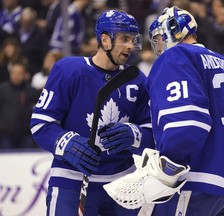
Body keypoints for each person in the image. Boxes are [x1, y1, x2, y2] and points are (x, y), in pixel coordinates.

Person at [30, 9, 154, 216]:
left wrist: (136, 135)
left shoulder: (137, 80)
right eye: (124, 39)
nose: (130, 46)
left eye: (133, 39)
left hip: (122, 185)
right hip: (71, 180)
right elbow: (41, 123)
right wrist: (65, 142)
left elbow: (153, 133)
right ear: (105, 40)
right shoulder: (68, 71)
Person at [139, 6, 224, 215]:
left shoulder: (176, 56)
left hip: (200, 176)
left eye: (159, 38)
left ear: (174, 31)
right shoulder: (221, 61)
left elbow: (187, 125)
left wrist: (168, 168)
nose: (158, 46)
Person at [0, 61, 40, 149]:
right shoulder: (2, 90)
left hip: (26, 135)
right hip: (6, 135)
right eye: (14, 73)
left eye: (19, 73)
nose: (16, 76)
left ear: (25, 75)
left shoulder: (31, 91)